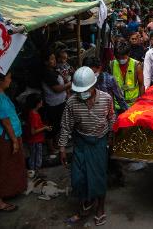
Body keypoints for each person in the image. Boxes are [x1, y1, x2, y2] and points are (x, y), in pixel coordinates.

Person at [59, 67, 115, 227]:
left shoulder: (106, 99)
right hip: (81, 142)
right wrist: (62, 148)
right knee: (78, 178)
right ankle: (86, 201)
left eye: (86, 90)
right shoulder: (72, 102)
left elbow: (111, 118)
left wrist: (111, 138)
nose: (82, 93)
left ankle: (100, 209)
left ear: (94, 85)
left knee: (98, 177)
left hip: (99, 142)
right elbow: (66, 126)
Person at [0, 70, 26, 212]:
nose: (10, 80)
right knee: (2, 167)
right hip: (4, 137)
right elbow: (5, 121)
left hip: (6, 136)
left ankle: (6, 192)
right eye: (8, 78)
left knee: (9, 165)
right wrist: (14, 140)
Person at [41, 52, 71, 158]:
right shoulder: (46, 74)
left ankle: (56, 143)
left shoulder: (53, 70)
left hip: (60, 101)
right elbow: (57, 89)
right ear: (45, 62)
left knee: (59, 124)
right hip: (53, 103)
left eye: (54, 58)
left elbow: (62, 82)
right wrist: (70, 84)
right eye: (51, 59)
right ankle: (51, 148)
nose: (54, 61)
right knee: (53, 125)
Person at [110, 40, 144, 110]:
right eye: (118, 58)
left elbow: (141, 85)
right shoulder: (112, 65)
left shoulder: (137, 65)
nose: (120, 60)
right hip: (117, 106)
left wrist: (141, 103)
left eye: (123, 57)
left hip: (133, 105)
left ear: (128, 54)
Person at [24, 93, 52, 177]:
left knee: (34, 155)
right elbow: (33, 132)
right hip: (35, 140)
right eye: (41, 101)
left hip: (34, 140)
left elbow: (37, 125)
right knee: (36, 156)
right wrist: (44, 128)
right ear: (37, 103)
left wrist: (44, 126)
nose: (42, 102)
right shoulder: (34, 115)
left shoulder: (33, 112)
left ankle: (34, 171)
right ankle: (36, 171)